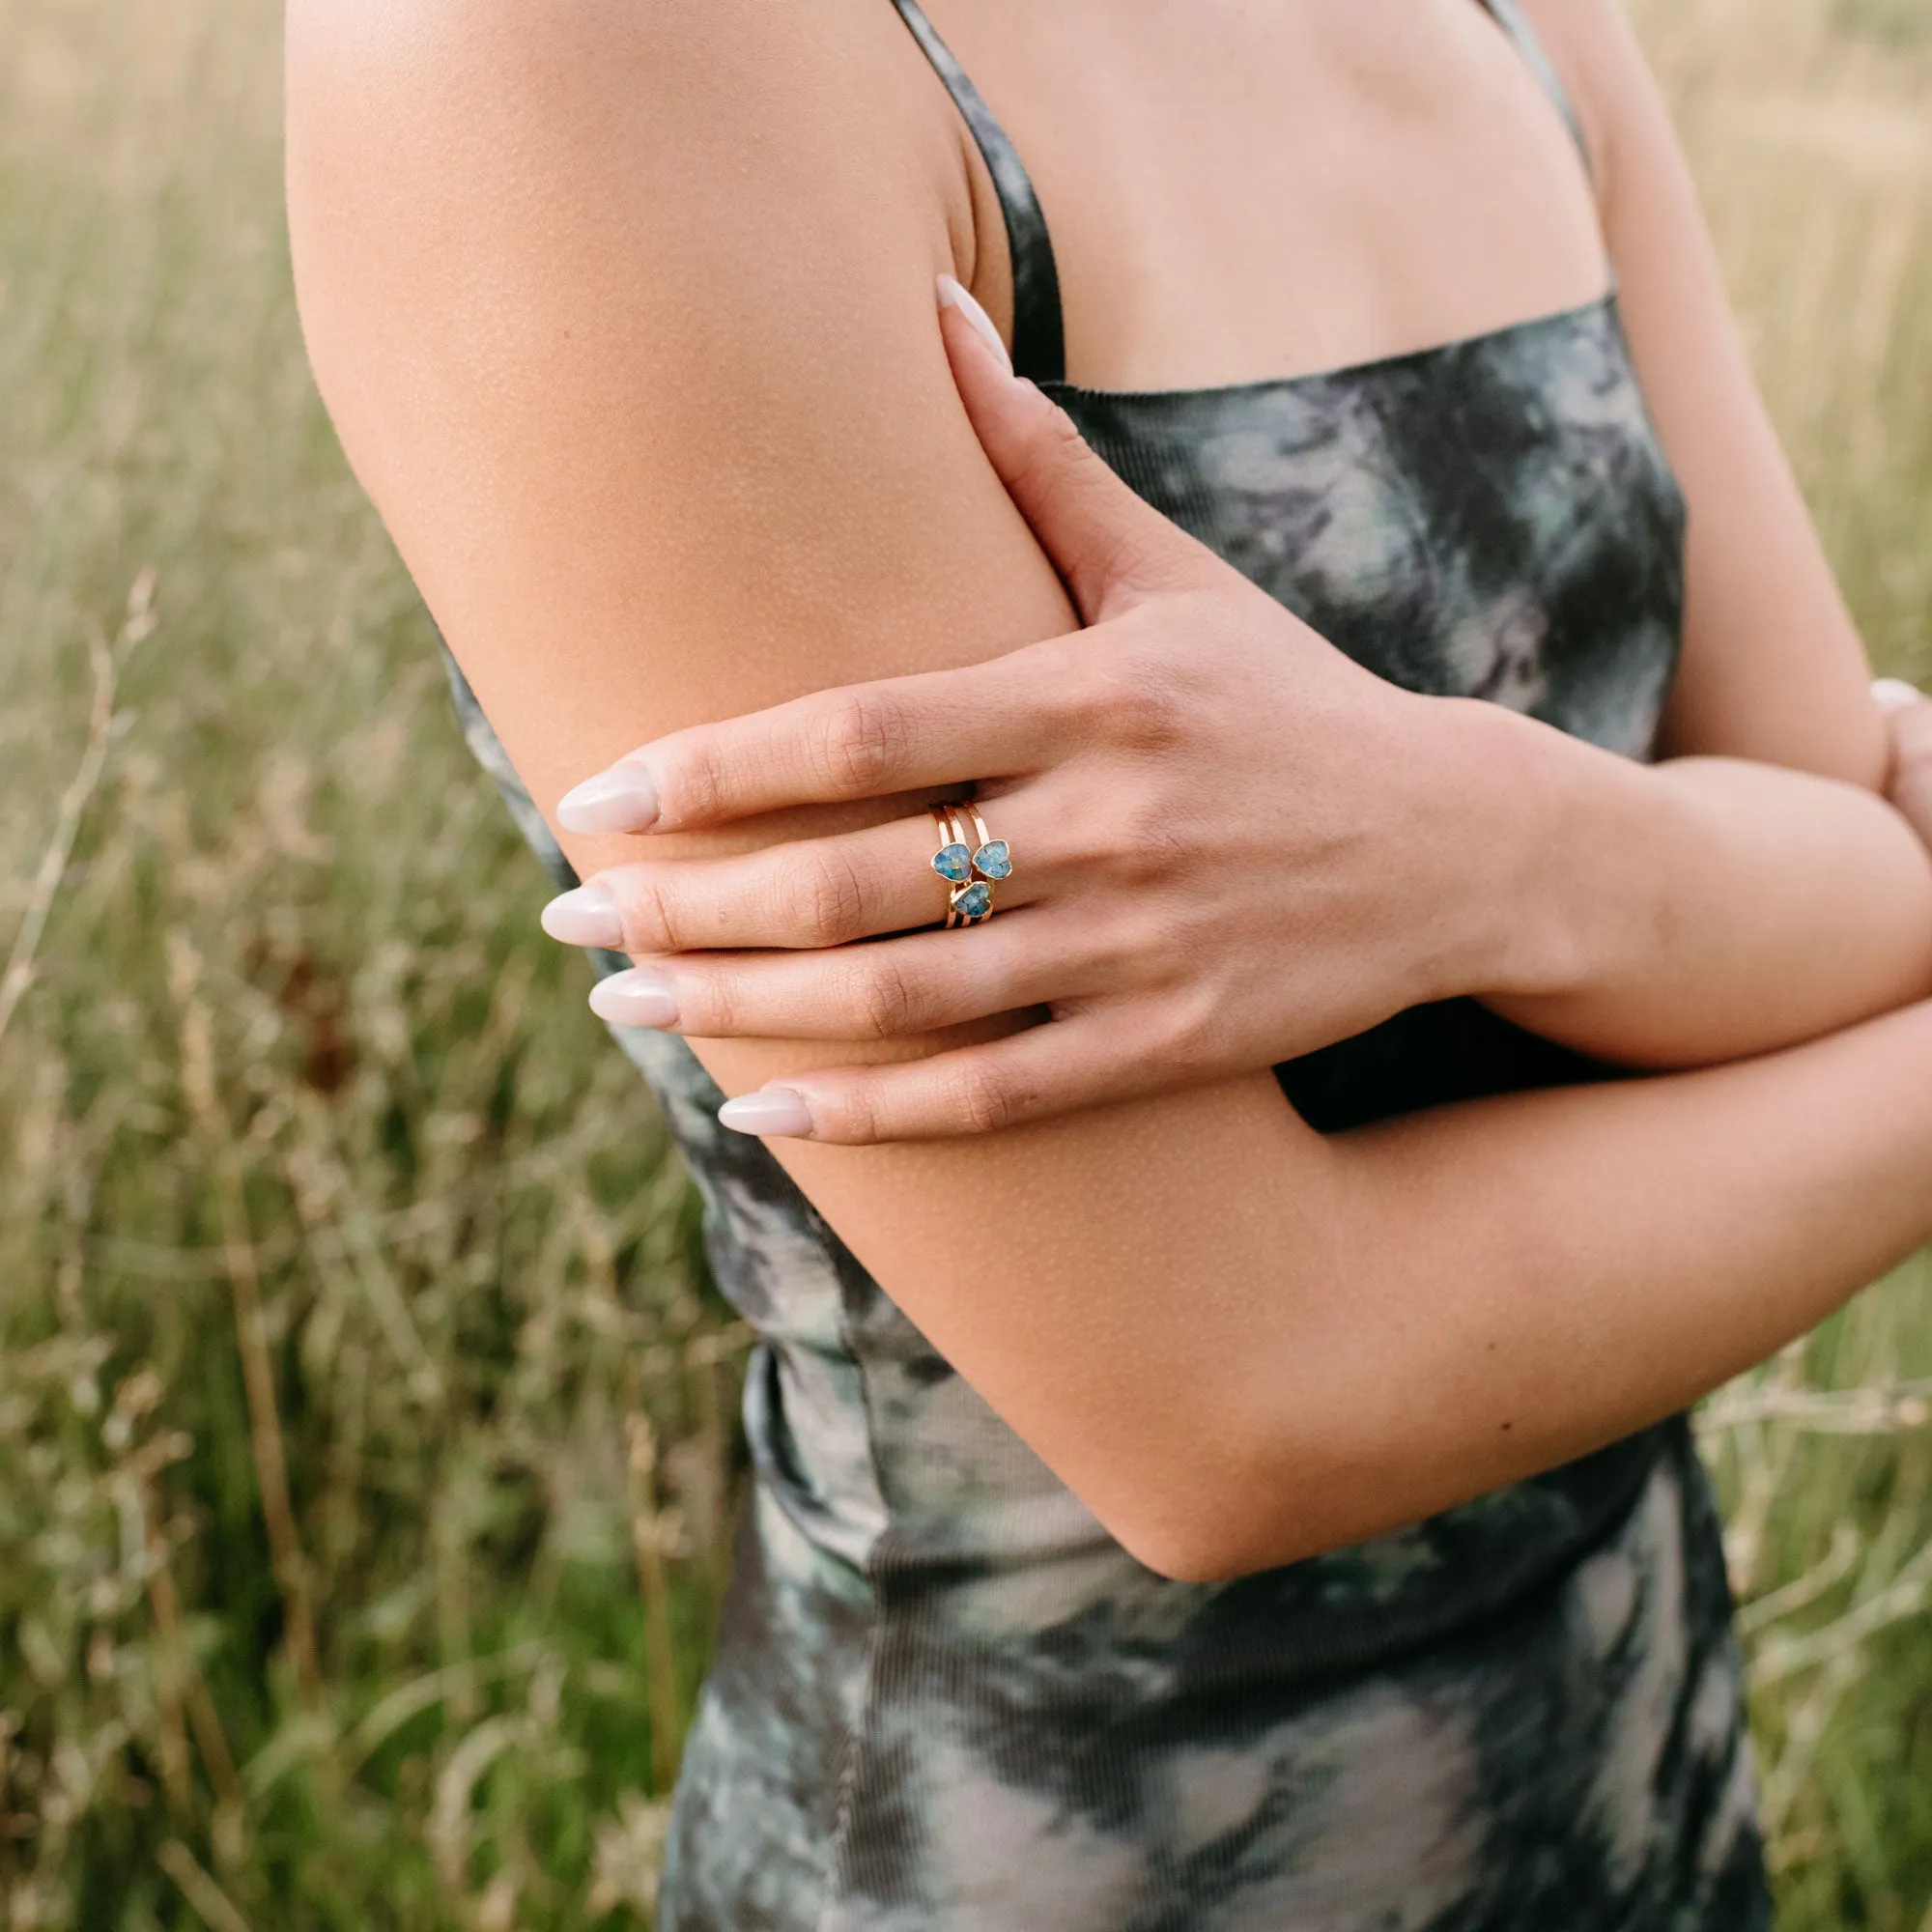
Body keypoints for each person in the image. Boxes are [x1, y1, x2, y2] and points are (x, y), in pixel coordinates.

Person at [284, 0, 1932, 1922]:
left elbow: (1870, 896)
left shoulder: (1530, 19)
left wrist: (1481, 843)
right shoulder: (555, 51)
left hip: (1642, 1785)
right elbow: (1238, 1400)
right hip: (1063, 1852)